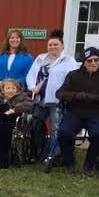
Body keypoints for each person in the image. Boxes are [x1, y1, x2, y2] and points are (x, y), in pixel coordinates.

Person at [55, 47, 99, 176]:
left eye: (96, 60)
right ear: (84, 62)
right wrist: (76, 95)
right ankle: (69, 163)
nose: (93, 63)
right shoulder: (73, 75)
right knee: (64, 132)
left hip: (98, 113)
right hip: (75, 112)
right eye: (89, 60)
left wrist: (97, 98)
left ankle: (89, 164)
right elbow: (60, 93)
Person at [25, 29, 79, 157]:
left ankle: (54, 154)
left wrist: (63, 93)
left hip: (56, 101)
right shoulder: (40, 58)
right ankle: (37, 152)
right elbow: (31, 74)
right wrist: (32, 86)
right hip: (39, 99)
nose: (53, 47)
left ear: (62, 46)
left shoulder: (68, 60)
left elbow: (71, 80)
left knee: (56, 128)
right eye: (50, 45)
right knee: (36, 125)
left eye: (56, 45)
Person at [0, 29, 33, 94]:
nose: (14, 40)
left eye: (17, 38)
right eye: (12, 38)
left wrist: (15, 83)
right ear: (8, 40)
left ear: (21, 40)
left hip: (17, 94)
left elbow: (29, 75)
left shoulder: (27, 58)